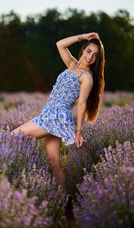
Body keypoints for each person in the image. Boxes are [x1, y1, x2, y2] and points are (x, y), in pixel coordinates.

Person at [10, 32, 105, 196]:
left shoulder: (87, 77)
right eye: (89, 51)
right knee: (55, 164)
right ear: (83, 50)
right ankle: (63, 202)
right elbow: (60, 44)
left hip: (56, 117)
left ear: (97, 59)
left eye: (95, 55)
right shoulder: (72, 65)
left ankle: (18, 179)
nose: (90, 57)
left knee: (13, 136)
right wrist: (83, 36)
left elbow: (81, 104)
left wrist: (78, 131)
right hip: (48, 114)